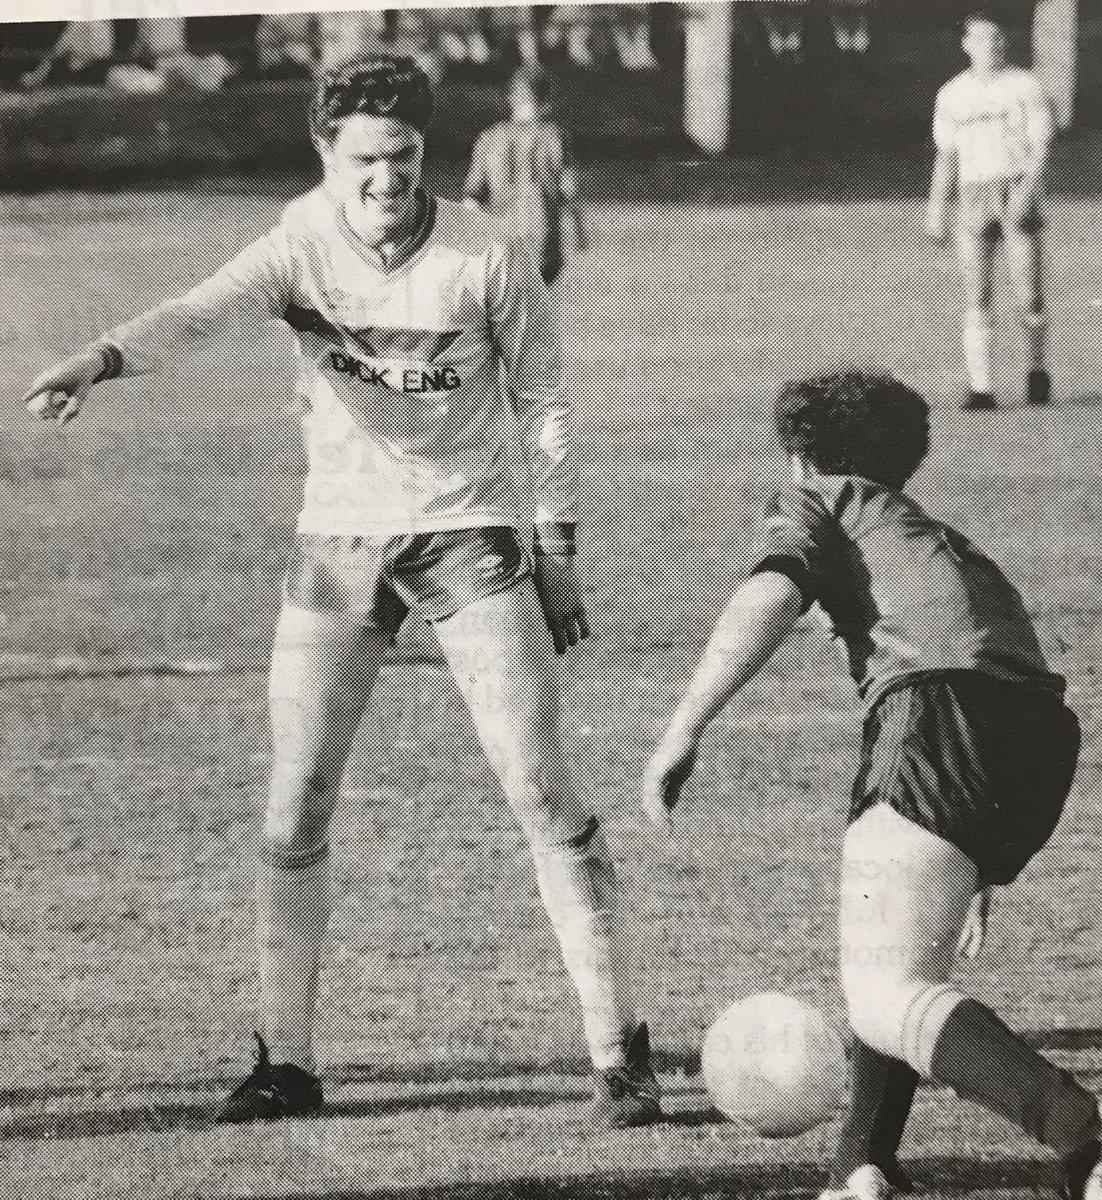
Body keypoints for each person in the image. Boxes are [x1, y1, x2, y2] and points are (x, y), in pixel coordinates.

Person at [23, 56, 660, 1132]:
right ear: (328, 155)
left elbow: (543, 396)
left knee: (540, 791)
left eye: (404, 156)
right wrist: (99, 357)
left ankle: (618, 1053)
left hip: (468, 533)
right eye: (365, 158)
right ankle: (287, 1062)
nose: (386, 179)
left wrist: (555, 544)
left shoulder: (487, 251)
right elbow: (200, 310)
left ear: (428, 152)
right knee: (296, 801)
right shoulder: (299, 239)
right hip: (340, 538)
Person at [642, 372, 1102, 1200]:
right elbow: (999, 667)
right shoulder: (937, 538)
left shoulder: (824, 499)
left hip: (938, 715)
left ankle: (1086, 1130)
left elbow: (771, 592)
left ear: (800, 456)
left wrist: (684, 725)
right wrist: (976, 858)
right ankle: (863, 1166)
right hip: (1033, 733)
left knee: (884, 992)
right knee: (894, 962)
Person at [927, 10, 1055, 410]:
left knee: (1028, 294)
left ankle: (1036, 369)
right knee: (976, 293)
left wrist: (1026, 192)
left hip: (1016, 186)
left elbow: (1041, 147)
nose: (992, 46)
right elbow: (946, 155)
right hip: (973, 195)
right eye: (983, 39)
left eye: (998, 38)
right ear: (966, 44)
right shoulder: (952, 95)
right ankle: (981, 387)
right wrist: (936, 207)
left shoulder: (1025, 85)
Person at [463, 65, 587, 287]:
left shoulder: (489, 138)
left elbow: (472, 199)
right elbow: (570, 191)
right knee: (535, 314)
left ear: (511, 98)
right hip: (543, 246)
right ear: (547, 103)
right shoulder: (555, 137)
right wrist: (579, 231)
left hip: (502, 245)